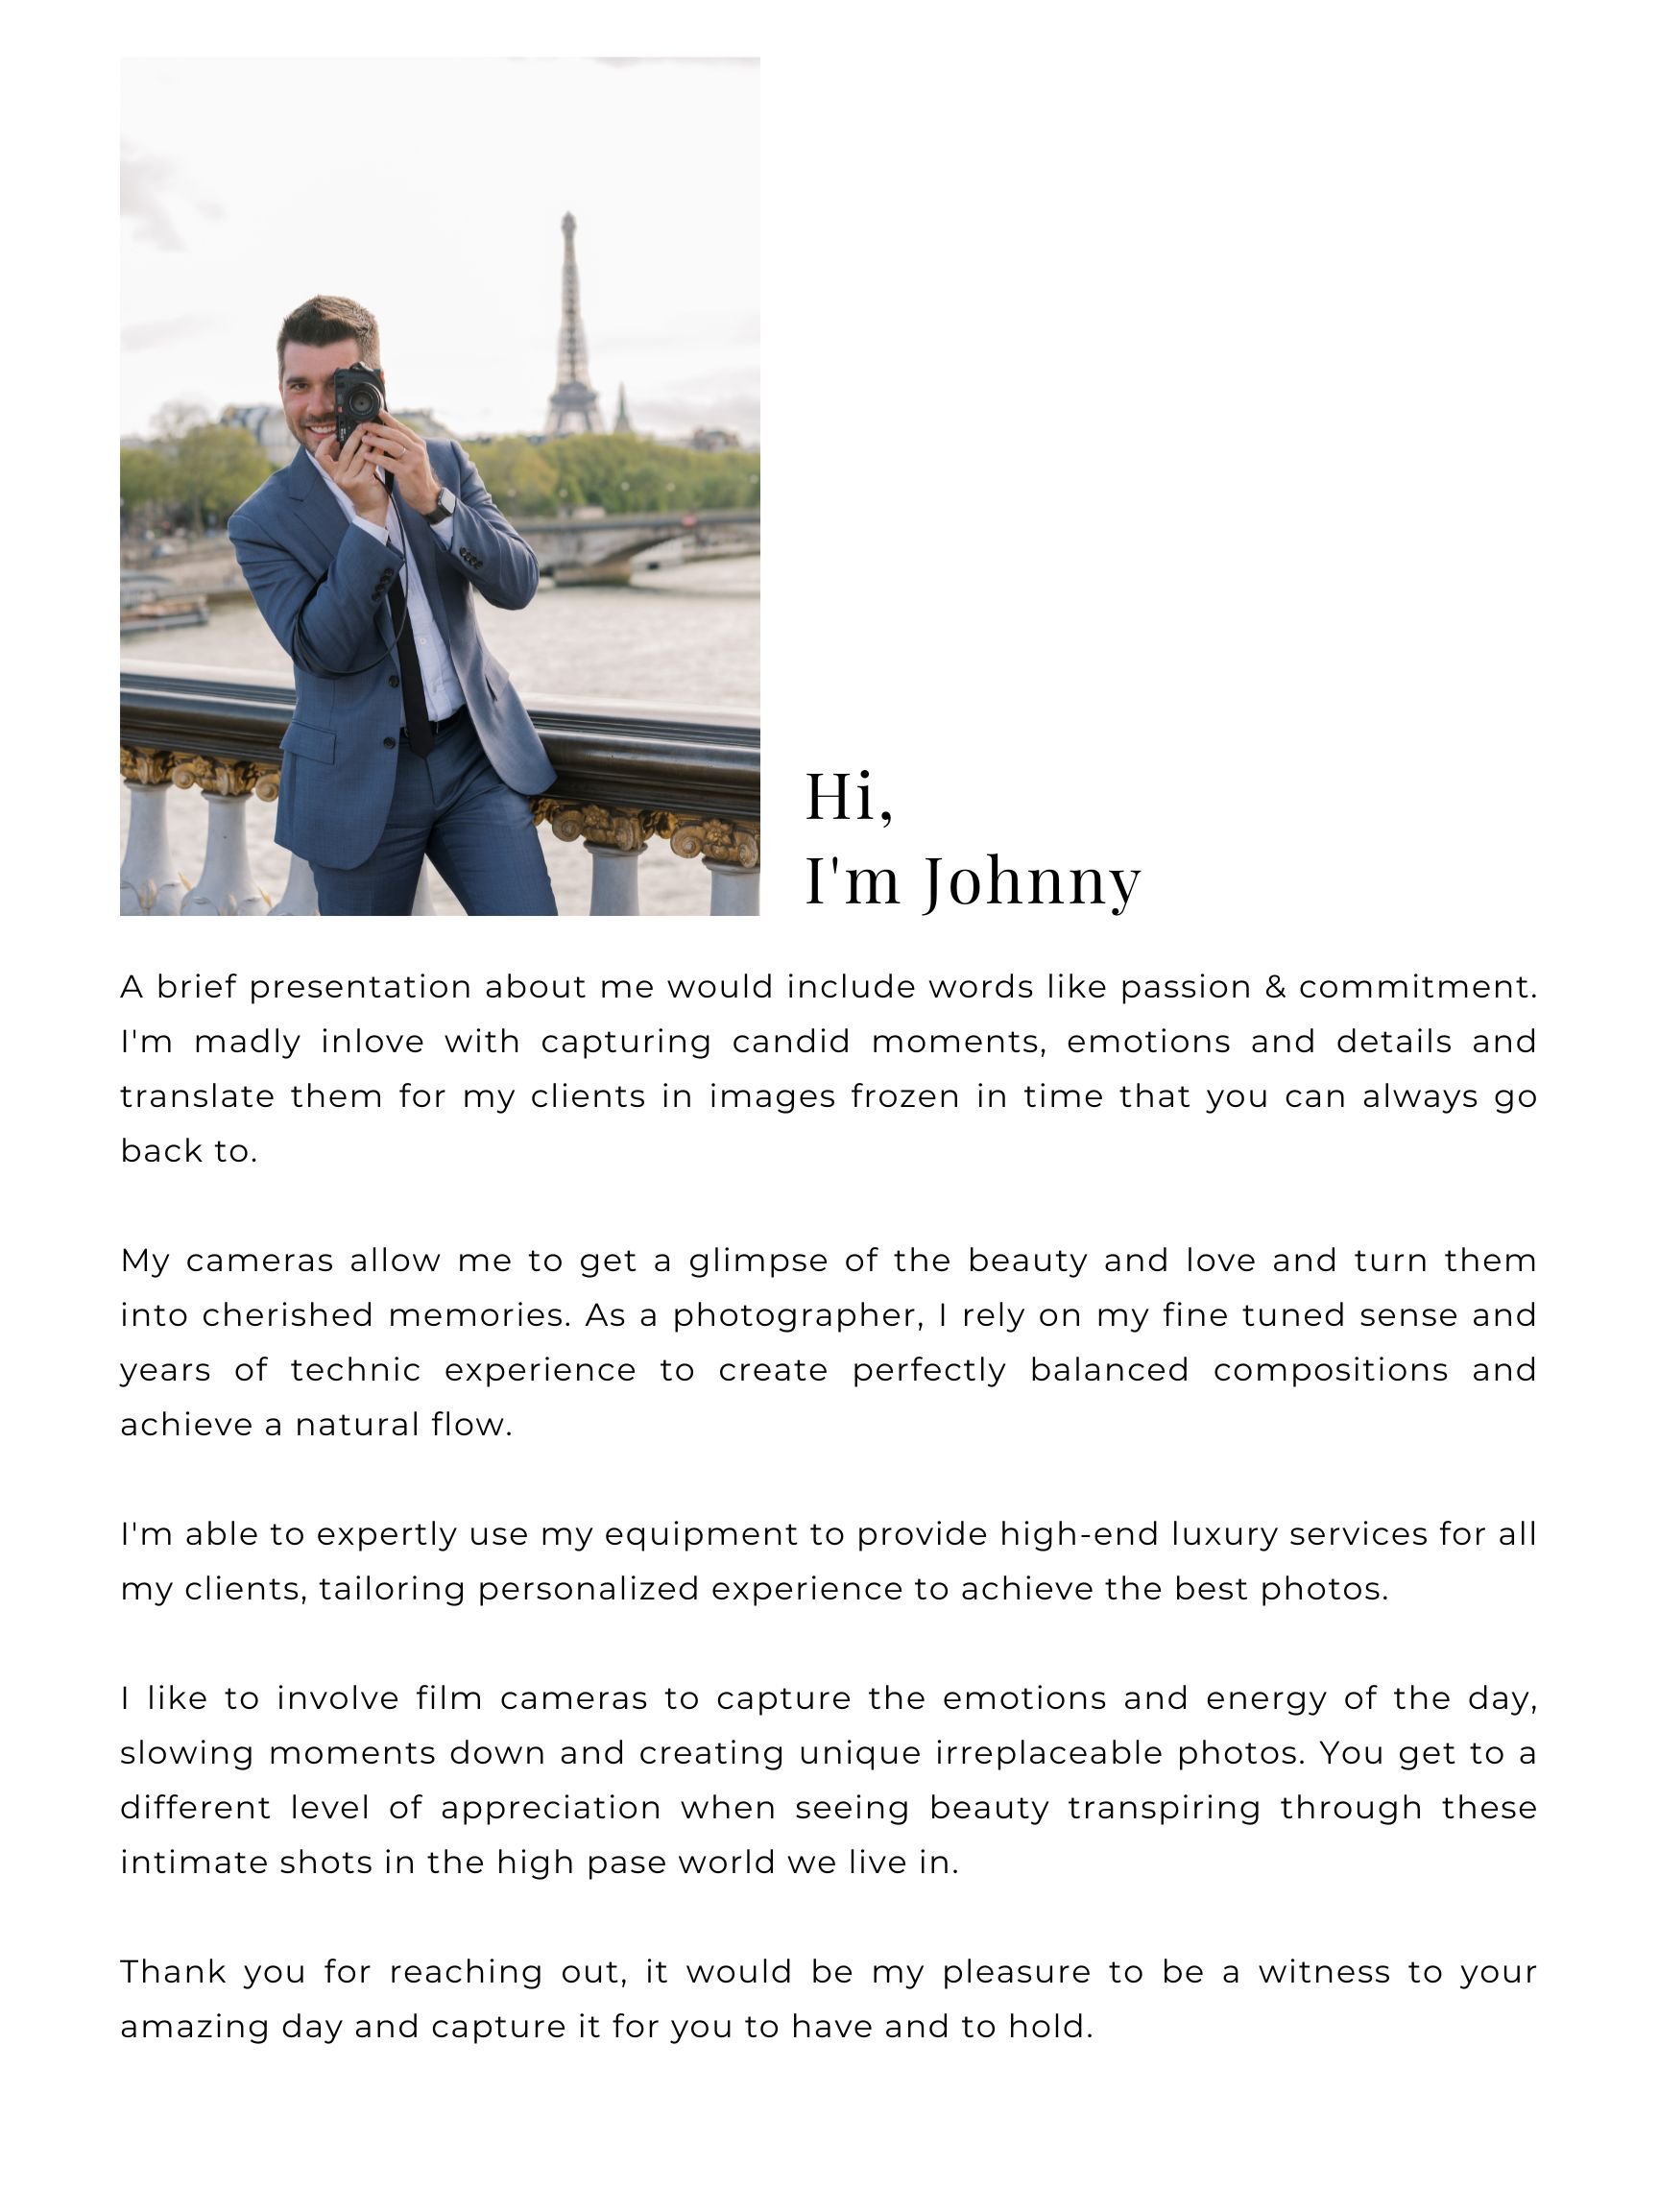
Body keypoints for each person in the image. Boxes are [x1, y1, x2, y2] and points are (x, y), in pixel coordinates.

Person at [228, 295, 559, 915]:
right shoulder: (261, 521)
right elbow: (322, 650)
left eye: (338, 383)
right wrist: (371, 524)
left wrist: (432, 501)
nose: (320, 406)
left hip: (473, 758)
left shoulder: (443, 464)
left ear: (375, 385)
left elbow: (517, 586)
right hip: (354, 781)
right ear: (280, 389)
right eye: (299, 385)